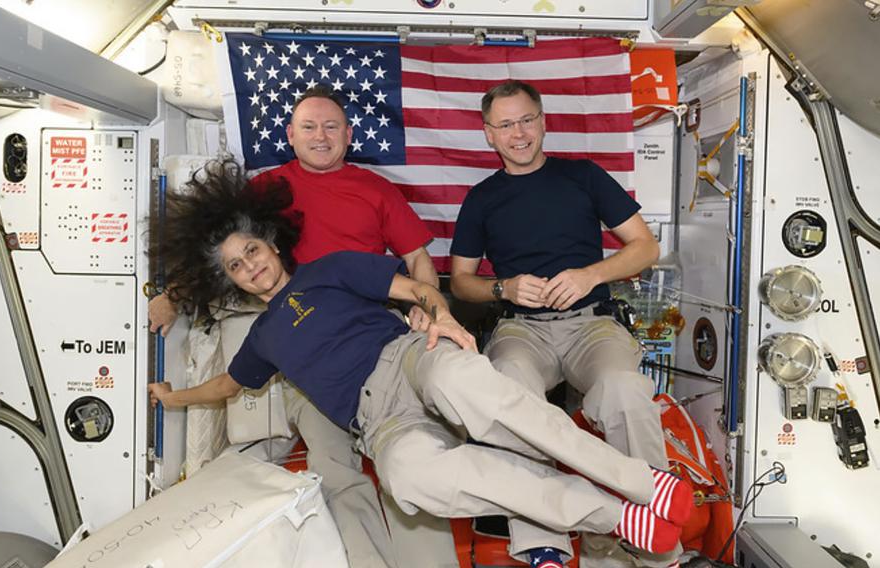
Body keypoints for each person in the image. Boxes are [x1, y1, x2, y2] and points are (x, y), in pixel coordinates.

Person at [147, 162, 693, 567]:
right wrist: (173, 397)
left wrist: (443, 319)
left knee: (465, 380)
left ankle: (640, 481)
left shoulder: (329, 268)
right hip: (378, 422)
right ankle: (617, 516)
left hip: (407, 359)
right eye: (238, 267)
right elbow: (224, 385)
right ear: (232, 280)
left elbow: (413, 286)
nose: (252, 268)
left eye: (253, 252)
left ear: (269, 242)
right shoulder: (262, 338)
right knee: (409, 479)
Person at [148, 87, 448, 568]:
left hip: (379, 336)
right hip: (306, 353)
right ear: (290, 135)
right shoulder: (267, 190)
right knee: (333, 470)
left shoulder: (376, 190)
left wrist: (427, 309)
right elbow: (222, 249)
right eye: (308, 126)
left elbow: (417, 259)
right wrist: (173, 296)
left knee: (414, 460)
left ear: (349, 135)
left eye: (332, 126)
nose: (321, 136)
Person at [449, 80, 671, 566]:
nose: (519, 133)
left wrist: (591, 273)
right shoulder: (482, 198)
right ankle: (539, 543)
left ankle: (655, 534)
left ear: (544, 122)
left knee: (624, 391)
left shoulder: (584, 177)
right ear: (489, 134)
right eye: (505, 125)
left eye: (527, 120)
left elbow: (645, 246)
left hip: (592, 323)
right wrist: (502, 287)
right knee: (509, 391)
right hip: (521, 329)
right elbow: (460, 280)